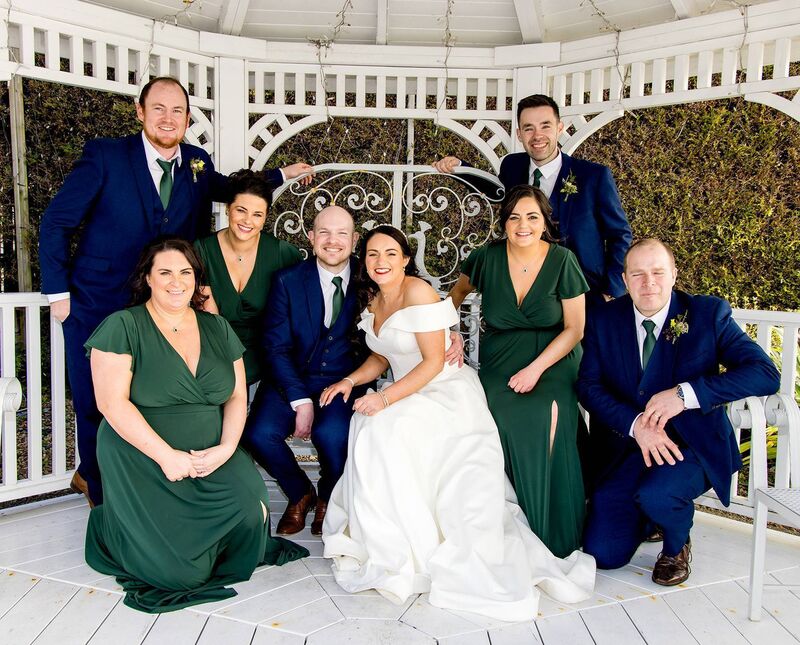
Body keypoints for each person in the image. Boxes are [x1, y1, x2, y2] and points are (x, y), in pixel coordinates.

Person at [39, 76, 313, 507]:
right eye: (159, 108)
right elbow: (57, 222)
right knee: (96, 397)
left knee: (150, 395)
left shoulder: (196, 163)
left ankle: (147, 480)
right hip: (99, 298)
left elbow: (231, 191)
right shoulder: (106, 156)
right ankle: (95, 483)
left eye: (178, 111)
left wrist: (279, 175)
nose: (168, 118)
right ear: (140, 111)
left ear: (187, 118)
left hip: (166, 304)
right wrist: (57, 291)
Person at [320, 225, 595, 621]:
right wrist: (350, 381)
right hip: (405, 386)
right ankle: (390, 543)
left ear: (405, 259)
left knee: (382, 427)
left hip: (442, 392)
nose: (381, 262)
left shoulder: (418, 292)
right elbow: (383, 357)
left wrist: (382, 398)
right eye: (373, 254)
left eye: (391, 254)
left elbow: (432, 362)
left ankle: (413, 546)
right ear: (364, 261)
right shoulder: (372, 299)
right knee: (369, 427)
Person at [83, 237, 308, 613]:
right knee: (178, 577)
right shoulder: (122, 325)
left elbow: (237, 396)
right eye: (165, 272)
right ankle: (113, 525)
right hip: (141, 449)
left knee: (252, 515)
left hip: (211, 447)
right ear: (148, 278)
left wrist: (226, 448)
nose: (176, 282)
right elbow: (111, 403)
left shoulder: (217, 327)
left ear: (196, 279)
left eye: (185, 272)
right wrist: (167, 457)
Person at [577, 239, 780, 585]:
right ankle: (649, 515)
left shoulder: (707, 314)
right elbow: (589, 386)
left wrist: (687, 394)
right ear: (624, 280)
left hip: (692, 444)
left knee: (660, 493)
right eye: (637, 274)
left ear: (674, 274)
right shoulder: (603, 319)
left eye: (658, 272)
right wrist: (636, 424)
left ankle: (676, 543)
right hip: (632, 445)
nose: (649, 282)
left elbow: (765, 373)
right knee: (603, 554)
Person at [447, 185, 588, 558]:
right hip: (501, 358)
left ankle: (553, 531)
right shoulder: (485, 257)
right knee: (499, 416)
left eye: (532, 217)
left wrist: (536, 369)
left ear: (545, 222)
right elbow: (454, 296)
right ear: (504, 222)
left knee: (546, 416)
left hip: (553, 358)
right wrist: (452, 333)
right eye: (514, 217)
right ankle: (508, 526)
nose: (522, 225)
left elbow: (575, 328)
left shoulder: (563, 260)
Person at [433, 93, 631, 309]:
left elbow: (619, 234)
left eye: (545, 126)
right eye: (529, 128)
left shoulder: (593, 176)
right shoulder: (512, 166)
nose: (537, 135)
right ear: (519, 134)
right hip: (528, 292)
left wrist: (611, 290)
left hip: (585, 293)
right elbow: (497, 192)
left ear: (559, 127)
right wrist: (461, 167)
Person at [242, 206, 368, 537]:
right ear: (311, 238)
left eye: (342, 233)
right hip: (289, 379)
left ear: (354, 240)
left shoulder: (369, 278)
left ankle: (328, 495)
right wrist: (299, 398)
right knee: (258, 434)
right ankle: (300, 493)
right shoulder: (287, 280)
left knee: (333, 435)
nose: (333, 241)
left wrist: (449, 331)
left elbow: (412, 302)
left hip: (342, 383)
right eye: (324, 232)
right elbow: (275, 347)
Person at [194, 169, 302, 385]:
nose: (247, 221)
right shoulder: (202, 250)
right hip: (216, 351)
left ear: (265, 217)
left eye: (257, 214)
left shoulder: (284, 254)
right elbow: (210, 320)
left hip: (268, 356)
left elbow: (296, 319)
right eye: (241, 210)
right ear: (227, 209)